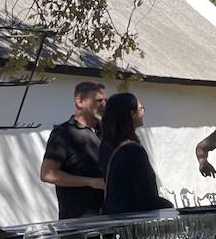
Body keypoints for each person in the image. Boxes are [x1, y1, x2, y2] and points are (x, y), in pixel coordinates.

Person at [40, 81, 107, 218]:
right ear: (80, 101)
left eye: (106, 101)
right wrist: (91, 182)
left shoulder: (106, 133)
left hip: (109, 219)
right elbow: (47, 174)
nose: (104, 105)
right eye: (98, 101)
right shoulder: (64, 133)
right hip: (77, 225)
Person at [99, 93, 174, 215]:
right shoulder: (133, 151)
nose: (143, 112)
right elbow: (147, 196)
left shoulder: (106, 145)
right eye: (141, 108)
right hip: (133, 220)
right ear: (132, 114)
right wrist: (169, 207)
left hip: (113, 215)